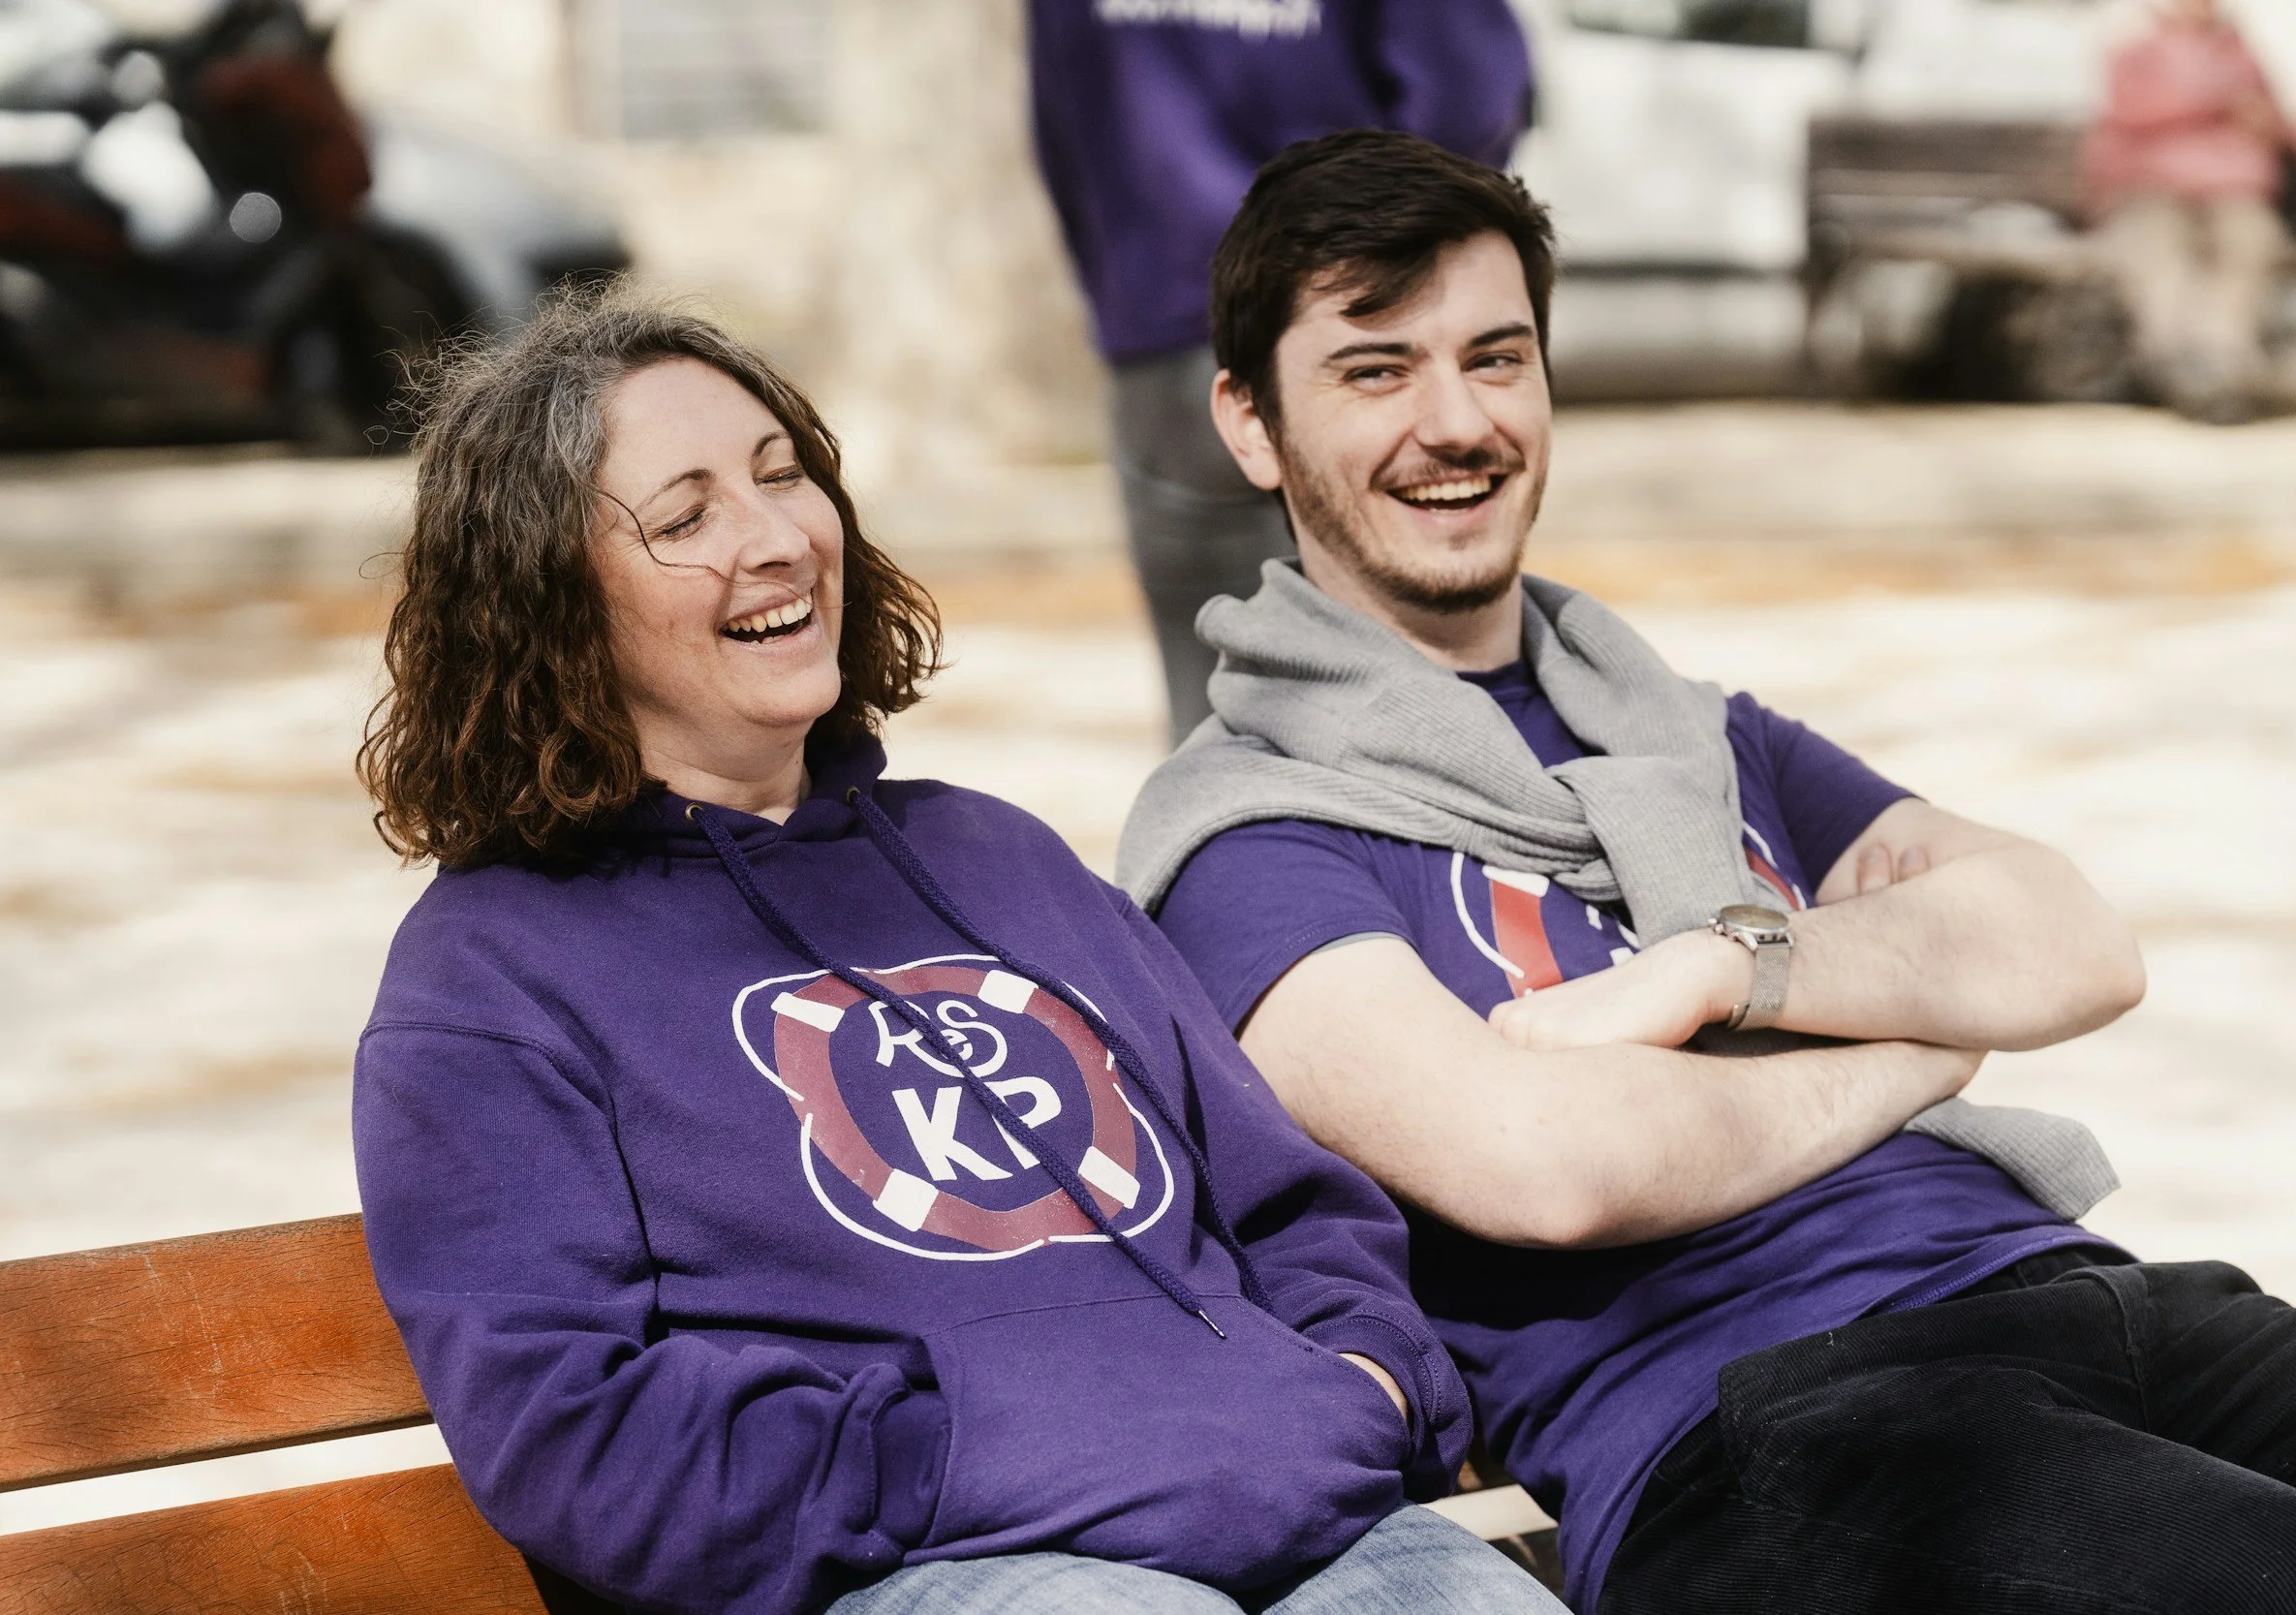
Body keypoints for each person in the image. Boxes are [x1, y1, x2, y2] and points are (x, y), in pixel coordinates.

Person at [1118, 130, 2296, 1614]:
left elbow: (2071, 941)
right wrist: (1915, 1042)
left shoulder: (1685, 727)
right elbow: (1548, 1161)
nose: (1456, 418)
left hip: (2080, 1291)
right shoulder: (1249, 841)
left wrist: (1728, 968)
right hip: (1751, 1420)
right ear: (1247, 419)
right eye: (1376, 370)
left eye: (1497, 357)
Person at [350, 290, 1567, 1615]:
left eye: (783, 474)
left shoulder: (998, 859)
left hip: (1297, 1506)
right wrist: (955, 1458)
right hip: (911, 1565)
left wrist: (1365, 1381)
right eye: (688, 515)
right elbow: (568, 1419)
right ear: (549, 597)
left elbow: (1291, 1205)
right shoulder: (488, 979)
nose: (774, 538)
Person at [1024, 0, 1531, 745]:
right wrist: (1411, 292)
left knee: (1217, 706)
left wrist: (1126, 296)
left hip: (1170, 329)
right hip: (1363, 336)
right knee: (1425, 679)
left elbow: (1061, 120)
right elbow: (1469, 93)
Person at [2085, 0, 2296, 421]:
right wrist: (2216, 99)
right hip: (2151, 185)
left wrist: (2262, 120)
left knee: (2249, 241)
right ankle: (2177, 362)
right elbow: (2132, 109)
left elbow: (2280, 122)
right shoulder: (2135, 47)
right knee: (2158, 250)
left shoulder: (2237, 48)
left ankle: (2221, 363)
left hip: (2233, 186)